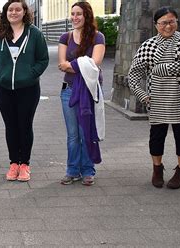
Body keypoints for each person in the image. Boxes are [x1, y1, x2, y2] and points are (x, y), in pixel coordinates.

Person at [0, 0, 49, 182]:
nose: (14, 12)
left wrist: (30, 75)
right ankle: (14, 163)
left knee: (25, 125)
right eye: (10, 9)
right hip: (4, 89)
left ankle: (25, 164)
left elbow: (43, 60)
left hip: (28, 89)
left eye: (17, 9)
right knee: (11, 126)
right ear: (5, 13)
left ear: (24, 12)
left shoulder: (34, 34)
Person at [128, 6, 180, 189]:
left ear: (177, 22)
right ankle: (157, 168)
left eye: (172, 22)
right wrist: (143, 96)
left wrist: (161, 68)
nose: (168, 26)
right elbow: (133, 75)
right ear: (156, 25)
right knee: (156, 138)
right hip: (156, 101)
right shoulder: (148, 45)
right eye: (163, 23)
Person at [57, 1, 105, 186]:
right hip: (68, 91)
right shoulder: (65, 37)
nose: (74, 17)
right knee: (73, 134)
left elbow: (96, 64)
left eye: (79, 14)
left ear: (87, 16)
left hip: (90, 91)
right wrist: (83, 64)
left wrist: (73, 65)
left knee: (87, 131)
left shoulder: (97, 37)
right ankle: (72, 170)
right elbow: (61, 65)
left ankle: (88, 170)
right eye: (73, 14)